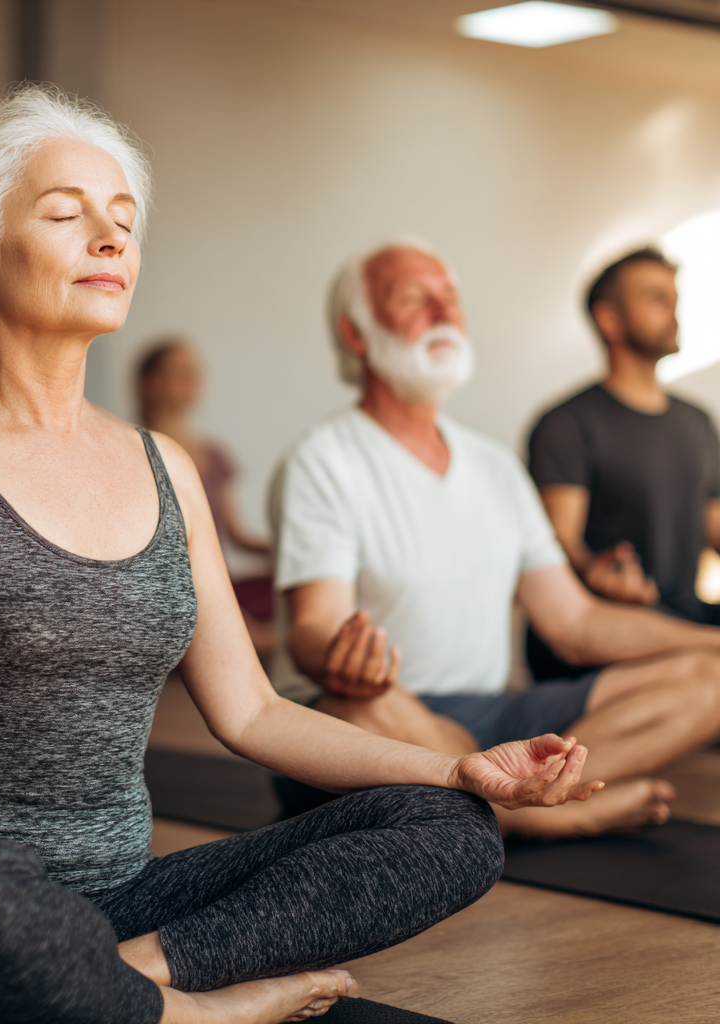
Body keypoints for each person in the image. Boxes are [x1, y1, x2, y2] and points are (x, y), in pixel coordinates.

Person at [0, 85, 599, 1024]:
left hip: (127, 904)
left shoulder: (166, 468)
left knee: (454, 831)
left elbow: (252, 710)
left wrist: (457, 769)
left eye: (123, 221)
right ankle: (206, 1012)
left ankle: (130, 981)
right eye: (67, 216)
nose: (110, 240)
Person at [271, 243, 720, 841]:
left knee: (709, 676)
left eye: (450, 300)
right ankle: (548, 814)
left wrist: (711, 641)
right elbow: (314, 627)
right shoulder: (323, 460)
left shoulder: (494, 466)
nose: (442, 312)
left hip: (495, 713)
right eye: (413, 298)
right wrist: (339, 658)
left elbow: (577, 622)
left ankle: (494, 809)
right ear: (357, 334)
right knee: (356, 709)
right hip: (384, 712)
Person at [526, 247, 720, 680]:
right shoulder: (567, 424)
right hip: (608, 630)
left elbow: (714, 524)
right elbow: (558, 544)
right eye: (656, 299)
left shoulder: (697, 422)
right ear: (609, 319)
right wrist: (596, 570)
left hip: (684, 617)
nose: (673, 314)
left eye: (674, 300)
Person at [138, 337, 275, 659]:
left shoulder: (214, 455)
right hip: (165, 589)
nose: (192, 381)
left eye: (195, 373)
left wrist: (293, 551)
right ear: (151, 383)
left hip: (217, 584)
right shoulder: (128, 452)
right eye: (180, 373)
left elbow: (236, 536)